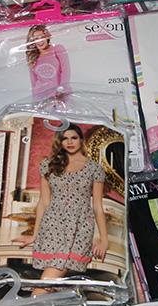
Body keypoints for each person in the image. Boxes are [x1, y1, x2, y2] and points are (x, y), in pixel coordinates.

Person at [12, 126, 109, 296]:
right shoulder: (48, 165)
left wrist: (104, 240)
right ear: (60, 142)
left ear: (81, 140)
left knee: (48, 279)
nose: (70, 142)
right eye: (65, 138)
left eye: (74, 138)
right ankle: (49, 305)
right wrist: (35, 235)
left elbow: (97, 206)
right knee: (50, 282)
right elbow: (44, 202)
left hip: (80, 228)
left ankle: (32, 302)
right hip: (52, 226)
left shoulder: (95, 168)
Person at [25, 24, 71, 98]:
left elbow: (65, 71)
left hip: (59, 93)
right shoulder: (33, 56)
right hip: (40, 94)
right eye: (36, 38)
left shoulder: (57, 49)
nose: (40, 41)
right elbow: (33, 81)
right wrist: (35, 98)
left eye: (43, 37)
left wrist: (62, 91)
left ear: (47, 37)